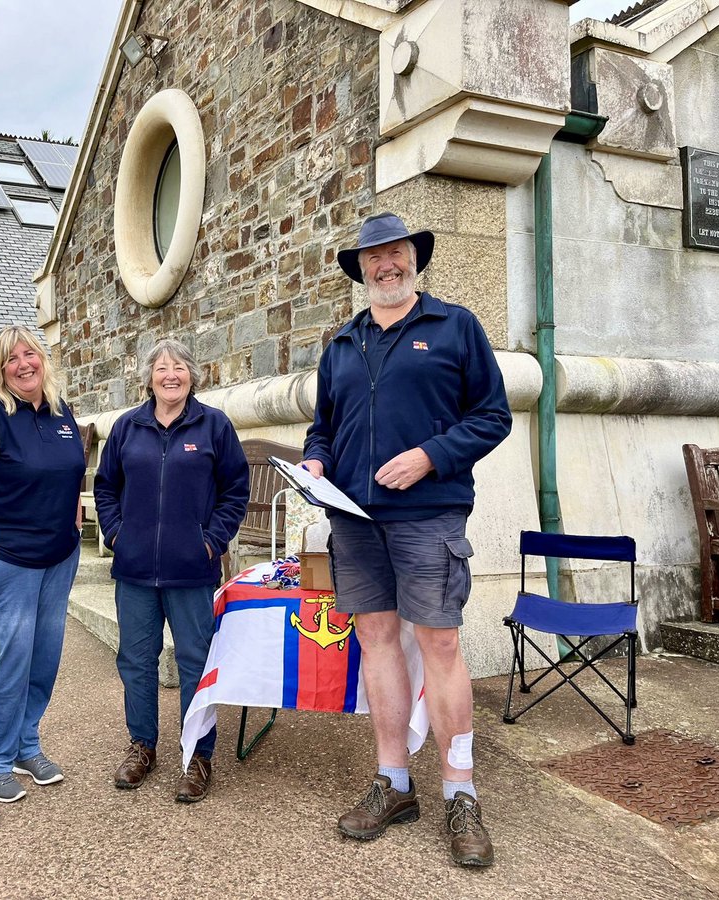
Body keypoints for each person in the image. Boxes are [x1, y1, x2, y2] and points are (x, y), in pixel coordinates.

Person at [303, 212, 512, 867]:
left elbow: (493, 416)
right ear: (361, 269)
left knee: (441, 644)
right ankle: (393, 782)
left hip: (429, 516)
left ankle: (460, 790)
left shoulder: (455, 327)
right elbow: (322, 428)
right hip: (353, 522)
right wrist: (314, 462)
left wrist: (430, 455)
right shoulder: (341, 344)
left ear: (413, 259)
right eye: (373, 258)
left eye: (395, 253)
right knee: (375, 640)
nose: (384, 265)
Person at [93, 338, 249, 803]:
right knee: (136, 662)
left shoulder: (214, 426)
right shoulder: (127, 428)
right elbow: (105, 488)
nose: (170, 375)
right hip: (135, 570)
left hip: (191, 570)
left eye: (179, 367)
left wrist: (210, 541)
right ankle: (143, 745)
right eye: (161, 368)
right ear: (149, 377)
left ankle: (198, 755)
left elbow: (234, 491)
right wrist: (117, 534)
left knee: (195, 664)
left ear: (192, 375)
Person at [0, 325, 84, 805]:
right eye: (13, 359)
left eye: (31, 354)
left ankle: (27, 745)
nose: (24, 364)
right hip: (8, 562)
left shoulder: (61, 411)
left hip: (58, 558)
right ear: (0, 369)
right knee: (11, 663)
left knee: (44, 660)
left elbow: (73, 475)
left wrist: (74, 530)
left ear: (43, 361)